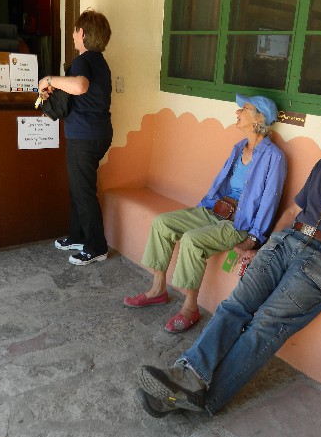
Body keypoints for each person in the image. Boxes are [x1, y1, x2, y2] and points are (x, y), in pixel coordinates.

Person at [136, 106, 321, 417]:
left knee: (264, 325)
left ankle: (206, 400)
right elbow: (292, 213)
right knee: (234, 306)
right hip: (284, 243)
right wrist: (262, 247)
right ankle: (189, 376)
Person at [123, 94, 287, 333]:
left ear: (259, 118)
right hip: (214, 209)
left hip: (238, 224)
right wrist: (205, 207)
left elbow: (270, 202)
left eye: (244, 108)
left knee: (192, 240)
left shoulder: (274, 157)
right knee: (162, 223)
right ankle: (157, 290)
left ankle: (190, 308)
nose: (238, 112)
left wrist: (253, 239)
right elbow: (221, 183)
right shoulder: (239, 147)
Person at [40, 10, 113, 266]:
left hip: (85, 137)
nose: (73, 35)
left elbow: (80, 86)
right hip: (94, 134)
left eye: (74, 31)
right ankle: (78, 236)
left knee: (83, 191)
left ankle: (96, 247)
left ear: (82, 33)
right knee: (79, 188)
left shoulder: (84, 61)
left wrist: (48, 80)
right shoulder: (98, 61)